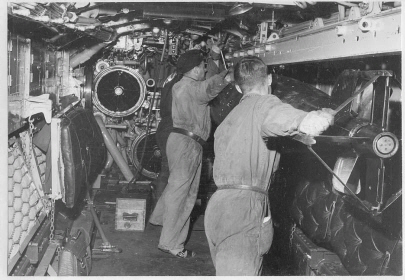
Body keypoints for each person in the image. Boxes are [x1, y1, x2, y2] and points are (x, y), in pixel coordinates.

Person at [204, 56, 334, 275]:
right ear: (270, 79)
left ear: (237, 86)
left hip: (218, 207)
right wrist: (322, 115)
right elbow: (302, 122)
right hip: (243, 210)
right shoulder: (265, 103)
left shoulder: (230, 117)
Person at [149, 49, 232, 258]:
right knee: (184, 195)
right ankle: (172, 244)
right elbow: (209, 89)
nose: (205, 70)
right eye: (204, 67)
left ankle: (160, 219)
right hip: (187, 144)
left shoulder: (180, 85)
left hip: (180, 141)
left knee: (175, 187)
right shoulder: (191, 87)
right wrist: (227, 76)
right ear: (195, 70)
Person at [151, 72, 179, 202]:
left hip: (164, 125)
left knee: (165, 169)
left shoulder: (171, 77)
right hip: (174, 126)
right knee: (175, 173)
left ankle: (158, 210)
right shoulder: (186, 82)